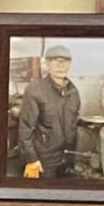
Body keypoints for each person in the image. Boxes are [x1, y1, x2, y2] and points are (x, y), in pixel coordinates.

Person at [16, 43, 82, 178]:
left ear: (70, 64)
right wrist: (31, 159)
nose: (61, 65)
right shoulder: (35, 90)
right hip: (43, 161)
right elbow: (25, 128)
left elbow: (72, 122)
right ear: (47, 64)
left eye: (65, 61)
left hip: (67, 159)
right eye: (56, 60)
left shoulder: (73, 92)